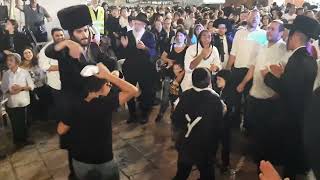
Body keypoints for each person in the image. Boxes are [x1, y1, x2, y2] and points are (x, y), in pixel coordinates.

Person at [45, 5, 107, 179]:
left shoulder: (94, 48)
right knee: (76, 146)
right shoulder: (64, 50)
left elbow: (109, 61)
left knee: (94, 141)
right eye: (79, 32)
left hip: (93, 104)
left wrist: (115, 72)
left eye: (86, 30)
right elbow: (50, 51)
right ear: (71, 33)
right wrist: (65, 43)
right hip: (74, 106)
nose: (85, 34)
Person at [57, 63, 139, 180]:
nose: (109, 86)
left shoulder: (74, 105)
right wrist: (109, 76)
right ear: (101, 86)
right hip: (103, 160)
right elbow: (133, 90)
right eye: (107, 83)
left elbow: (60, 130)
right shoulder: (106, 104)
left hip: (80, 160)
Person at [261, 15, 319, 179]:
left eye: (288, 34)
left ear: (295, 36)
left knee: (290, 162)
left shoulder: (298, 59)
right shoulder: (308, 59)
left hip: (292, 120)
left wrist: (268, 76)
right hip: (300, 118)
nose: (286, 37)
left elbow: (287, 90)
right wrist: (283, 75)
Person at [238, 20, 290, 167]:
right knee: (254, 131)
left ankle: (265, 164)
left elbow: (284, 76)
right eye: (268, 28)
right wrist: (242, 83)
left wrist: (278, 95)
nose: (269, 31)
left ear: (281, 32)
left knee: (267, 136)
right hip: (254, 96)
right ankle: (257, 158)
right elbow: (253, 68)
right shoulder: (261, 46)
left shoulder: (283, 50)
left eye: (273, 29)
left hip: (269, 100)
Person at [172, 67, 223, 180]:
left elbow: (175, 118)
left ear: (192, 80)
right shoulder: (215, 99)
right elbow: (219, 126)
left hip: (186, 143)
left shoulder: (185, 95)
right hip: (205, 146)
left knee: (181, 174)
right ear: (209, 81)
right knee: (207, 174)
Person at [226, 9, 267, 127]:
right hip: (238, 70)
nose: (254, 19)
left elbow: (261, 56)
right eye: (252, 17)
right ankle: (235, 122)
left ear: (259, 20)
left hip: (253, 72)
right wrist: (227, 70)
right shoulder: (239, 33)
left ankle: (248, 125)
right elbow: (233, 53)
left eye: (257, 18)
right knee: (235, 99)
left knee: (250, 101)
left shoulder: (263, 34)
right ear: (247, 18)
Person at [120, 13, 157, 124]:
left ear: (144, 25)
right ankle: (132, 114)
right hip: (130, 67)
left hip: (145, 68)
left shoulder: (149, 35)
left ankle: (144, 113)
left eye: (139, 24)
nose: (136, 25)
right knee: (129, 90)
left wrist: (145, 48)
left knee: (146, 90)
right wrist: (125, 46)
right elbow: (123, 54)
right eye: (135, 23)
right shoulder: (128, 34)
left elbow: (154, 52)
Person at [1, 53, 35, 148]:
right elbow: (3, 88)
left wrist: (21, 88)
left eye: (11, 60)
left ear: (17, 61)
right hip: (11, 102)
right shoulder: (6, 74)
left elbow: (32, 86)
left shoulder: (24, 72)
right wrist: (9, 91)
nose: (8, 62)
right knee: (14, 122)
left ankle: (25, 139)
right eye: (7, 60)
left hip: (23, 101)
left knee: (23, 122)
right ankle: (17, 141)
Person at [156, 29, 188, 122]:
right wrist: (169, 61)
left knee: (178, 96)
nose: (179, 37)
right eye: (177, 35)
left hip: (181, 76)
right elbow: (162, 57)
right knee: (166, 95)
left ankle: (175, 114)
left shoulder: (187, 48)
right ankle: (161, 112)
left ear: (185, 37)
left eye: (181, 35)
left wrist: (181, 74)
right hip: (169, 74)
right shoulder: (170, 46)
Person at [38, 28, 64, 121]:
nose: (60, 37)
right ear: (52, 36)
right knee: (59, 106)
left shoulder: (67, 45)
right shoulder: (46, 49)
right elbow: (44, 66)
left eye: (61, 35)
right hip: (56, 83)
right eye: (57, 35)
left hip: (69, 82)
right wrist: (62, 67)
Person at [20, 47, 48, 122]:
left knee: (44, 100)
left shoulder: (38, 62)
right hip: (29, 88)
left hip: (41, 85)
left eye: (29, 52)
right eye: (25, 53)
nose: (28, 54)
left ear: (32, 53)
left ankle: (44, 116)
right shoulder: (21, 66)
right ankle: (34, 118)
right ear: (23, 55)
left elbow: (43, 75)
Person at [215, 69, 235, 173]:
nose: (217, 81)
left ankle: (225, 164)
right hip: (219, 122)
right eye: (217, 79)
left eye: (219, 79)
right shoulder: (219, 90)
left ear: (226, 80)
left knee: (225, 144)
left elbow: (230, 110)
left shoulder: (230, 93)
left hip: (225, 123)